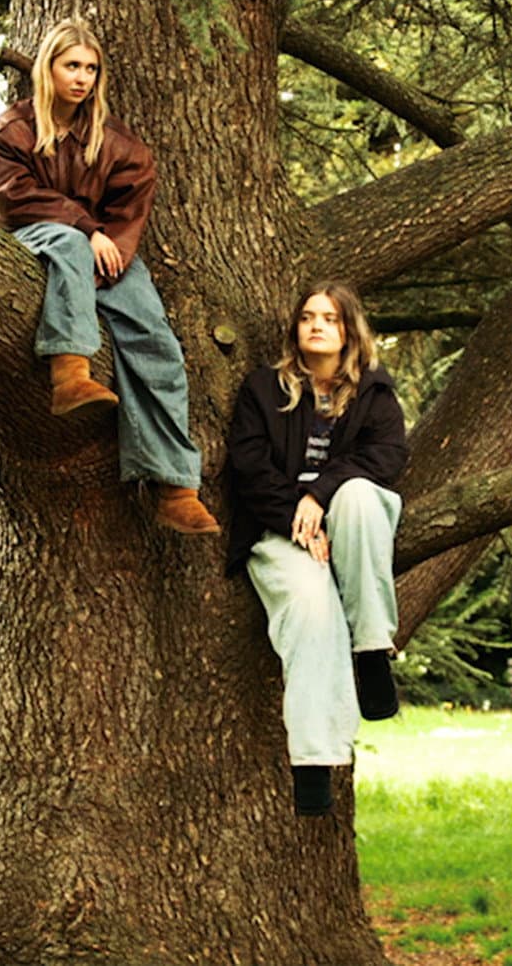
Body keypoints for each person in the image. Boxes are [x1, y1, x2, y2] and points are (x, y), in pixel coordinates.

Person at [0, 16, 219, 536]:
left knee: (155, 335)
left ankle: (175, 486)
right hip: (36, 238)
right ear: (48, 68)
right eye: (72, 65)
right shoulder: (11, 131)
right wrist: (87, 228)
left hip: (107, 247)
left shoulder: (120, 143)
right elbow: (15, 199)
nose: (82, 77)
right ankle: (70, 370)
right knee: (68, 242)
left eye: (91, 68)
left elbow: (130, 209)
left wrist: (105, 242)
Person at [226, 279, 408, 815]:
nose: (316, 325)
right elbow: (250, 467)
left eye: (329, 318)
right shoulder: (263, 389)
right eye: (308, 316)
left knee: (354, 495)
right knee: (311, 611)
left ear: (348, 329)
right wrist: (297, 518)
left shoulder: (373, 390)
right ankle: (313, 761)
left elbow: (388, 457)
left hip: (352, 522)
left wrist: (319, 496)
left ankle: (373, 650)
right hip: (280, 532)